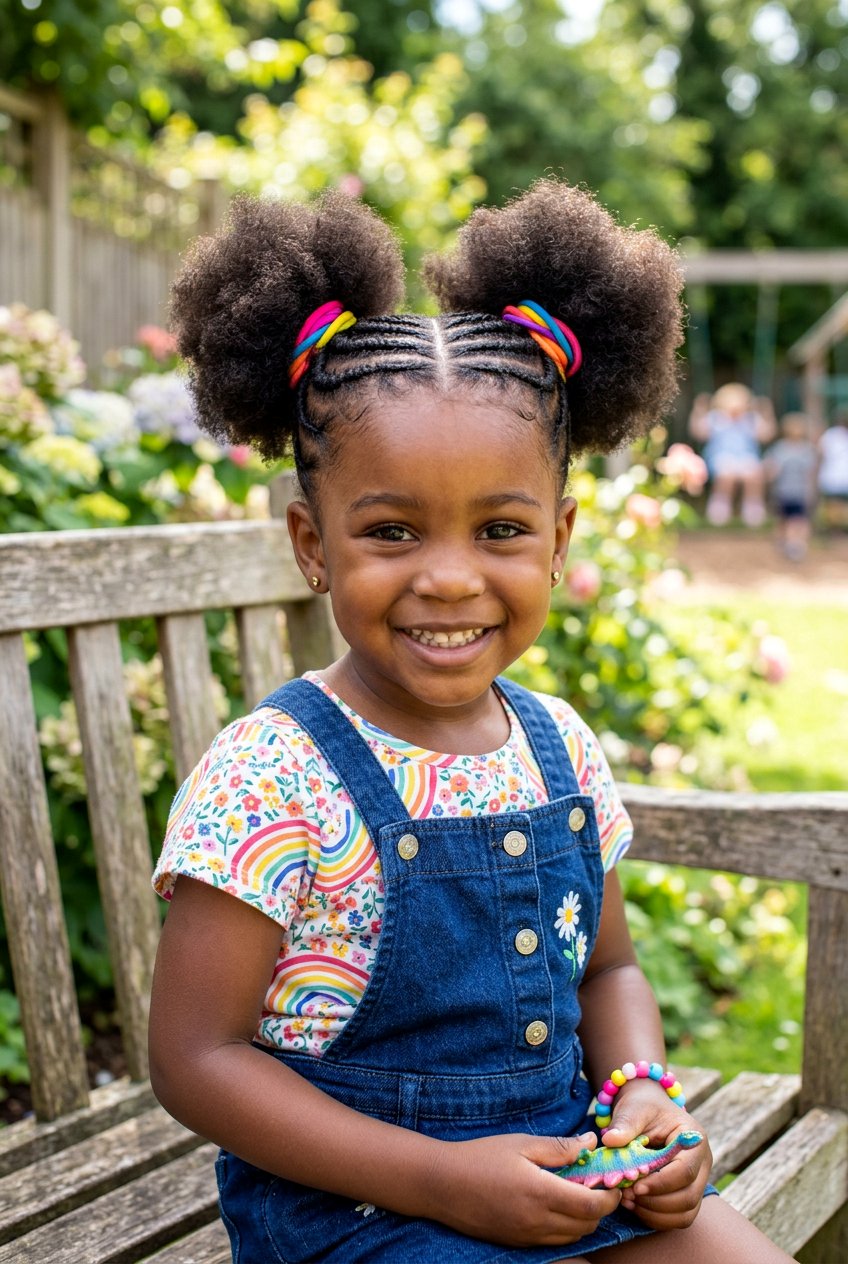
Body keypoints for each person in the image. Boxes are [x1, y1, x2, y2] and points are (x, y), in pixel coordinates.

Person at [148, 181, 796, 1263]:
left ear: (557, 537)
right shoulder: (273, 775)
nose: (449, 579)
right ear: (313, 545)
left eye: (499, 528)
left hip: (560, 1169)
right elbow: (195, 1058)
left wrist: (642, 1093)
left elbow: (608, 970)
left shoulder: (555, 747)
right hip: (355, 1208)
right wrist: (443, 1180)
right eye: (392, 531)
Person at [688, 382, 776, 526]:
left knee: (754, 473)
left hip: (746, 457)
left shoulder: (751, 419)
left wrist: (767, 412)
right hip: (721, 457)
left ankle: (753, 507)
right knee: (726, 474)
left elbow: (766, 435)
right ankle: (720, 506)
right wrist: (698, 410)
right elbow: (699, 432)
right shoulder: (715, 418)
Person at [764, 413, 818, 560]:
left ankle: (797, 545)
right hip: (783, 491)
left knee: (798, 520)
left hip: (799, 491)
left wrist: (811, 491)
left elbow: (810, 473)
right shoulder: (780, 449)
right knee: (784, 520)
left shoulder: (807, 450)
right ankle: (785, 543)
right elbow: (771, 469)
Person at [817, 412, 848, 531]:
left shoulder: (830, 435)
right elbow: (821, 454)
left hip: (835, 478)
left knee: (836, 508)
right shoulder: (831, 435)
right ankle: (836, 531)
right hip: (833, 478)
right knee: (833, 508)